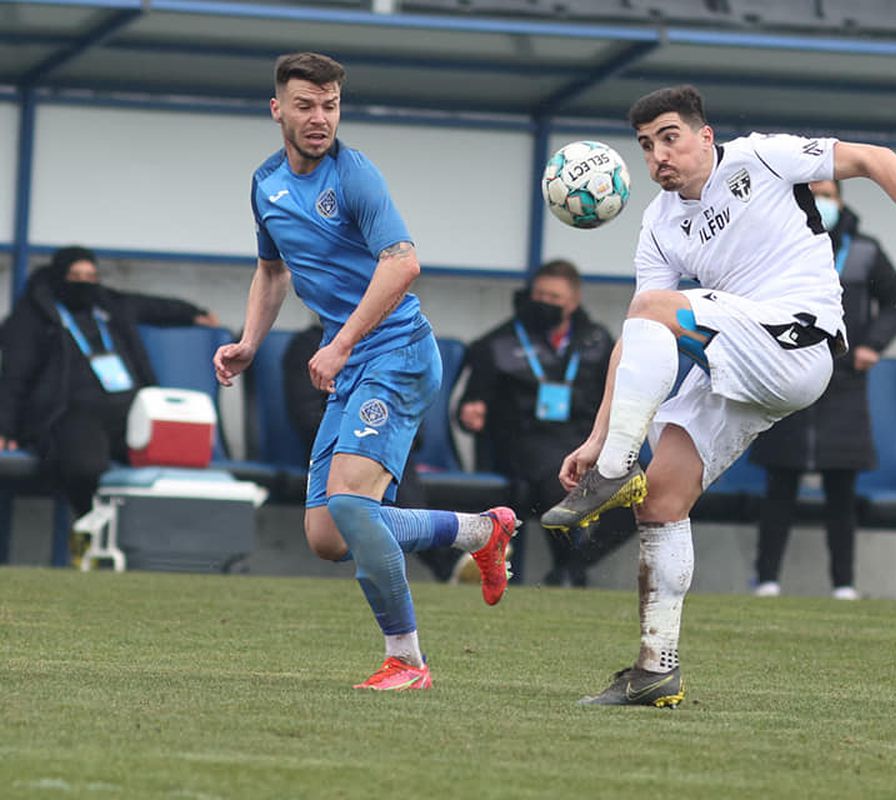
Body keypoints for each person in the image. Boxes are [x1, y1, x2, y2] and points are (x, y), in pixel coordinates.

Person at [540, 85, 896, 707]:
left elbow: (876, 158)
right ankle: (655, 668)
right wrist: (594, 433)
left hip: (801, 338)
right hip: (743, 360)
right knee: (662, 496)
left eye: (669, 137)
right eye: (645, 146)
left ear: (704, 136)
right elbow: (638, 331)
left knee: (654, 312)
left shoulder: (760, 156)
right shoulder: (660, 225)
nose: (658, 155)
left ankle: (615, 468)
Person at [213, 52, 517, 692]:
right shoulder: (264, 182)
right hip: (352, 361)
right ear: (278, 110)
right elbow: (272, 271)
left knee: (353, 503)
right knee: (327, 534)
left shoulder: (356, 177)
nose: (319, 117)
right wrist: (248, 342)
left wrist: (343, 341)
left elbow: (403, 264)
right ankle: (480, 531)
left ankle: (407, 660)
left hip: (397, 353)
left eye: (329, 105)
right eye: (305, 104)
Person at [749, 179, 896, 601]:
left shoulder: (865, 251)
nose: (823, 201)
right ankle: (766, 580)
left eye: (829, 194)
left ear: (840, 200)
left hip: (844, 387)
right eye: (814, 193)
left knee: (842, 491)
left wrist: (873, 346)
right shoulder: (780, 245)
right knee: (779, 486)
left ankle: (844, 584)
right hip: (790, 378)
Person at [0, 246, 218, 517]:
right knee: (85, 468)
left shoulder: (108, 305)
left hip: (131, 409)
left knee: (175, 459)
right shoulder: (32, 317)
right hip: (71, 412)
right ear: (58, 277)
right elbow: (15, 376)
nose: (83, 283)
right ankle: (92, 527)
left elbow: (152, 306)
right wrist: (5, 427)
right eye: (75, 275)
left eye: (91, 276)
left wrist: (192, 313)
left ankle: (161, 538)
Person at [458, 259, 631, 587]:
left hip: (585, 439)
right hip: (525, 444)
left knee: (642, 490)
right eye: (540, 295)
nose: (545, 304)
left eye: (555, 299)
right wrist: (471, 414)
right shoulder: (498, 343)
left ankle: (573, 566)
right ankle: (569, 571)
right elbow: (470, 406)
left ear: (574, 301)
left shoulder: (597, 342)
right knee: (559, 480)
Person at [283, 321, 463, 582]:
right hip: (329, 446)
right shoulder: (308, 346)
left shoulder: (393, 341)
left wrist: (389, 437)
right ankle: (468, 533)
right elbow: (305, 414)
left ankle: (454, 557)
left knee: (381, 471)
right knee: (328, 539)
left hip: (386, 445)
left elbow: (407, 408)